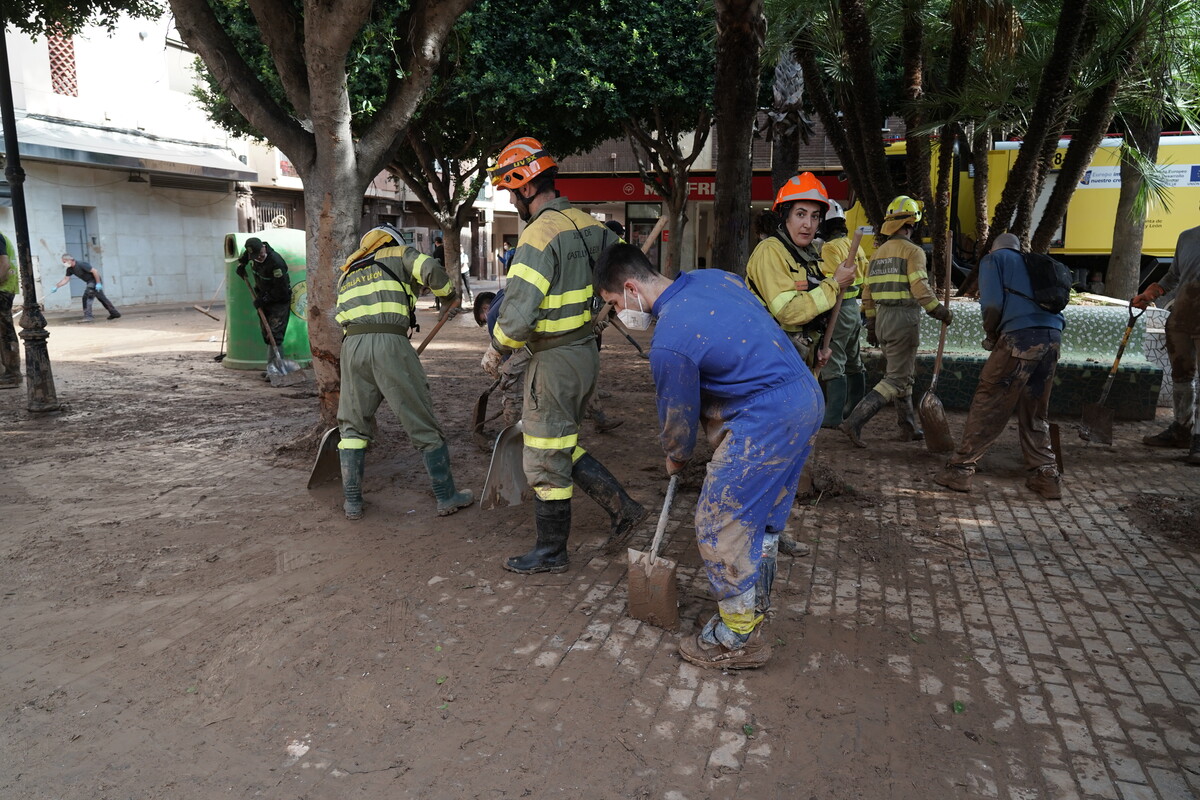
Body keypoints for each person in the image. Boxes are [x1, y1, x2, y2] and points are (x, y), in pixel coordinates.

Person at [595, 243, 822, 670]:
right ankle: (754, 606)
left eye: (613, 304)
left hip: (767, 418)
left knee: (719, 521)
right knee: (765, 514)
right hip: (805, 397)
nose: (618, 314)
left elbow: (677, 416)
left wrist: (676, 458)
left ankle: (737, 637)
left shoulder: (670, 342)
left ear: (629, 289)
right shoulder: (715, 277)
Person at [480, 137, 646, 573]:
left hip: (552, 362)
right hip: (585, 354)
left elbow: (516, 314)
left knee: (543, 455)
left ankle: (552, 552)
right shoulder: (592, 225)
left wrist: (497, 349)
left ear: (527, 188)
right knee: (561, 443)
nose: (512, 200)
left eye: (512, 192)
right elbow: (622, 273)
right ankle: (623, 507)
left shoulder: (537, 235)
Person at [335, 225, 473, 520]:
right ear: (391, 241)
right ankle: (446, 496)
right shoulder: (399, 253)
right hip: (390, 344)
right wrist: (447, 294)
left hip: (351, 347)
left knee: (353, 426)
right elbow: (430, 268)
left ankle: (352, 502)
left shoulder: (348, 271)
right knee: (420, 418)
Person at [933, 234, 1066, 498]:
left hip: (1019, 339)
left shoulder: (994, 260)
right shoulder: (1032, 263)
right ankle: (1047, 476)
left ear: (995, 248)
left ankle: (960, 470)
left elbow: (992, 304)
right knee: (1035, 409)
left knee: (989, 401)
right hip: (1052, 339)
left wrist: (992, 333)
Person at [840, 196, 953, 447]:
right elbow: (921, 289)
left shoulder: (878, 254)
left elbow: (866, 294)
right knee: (896, 379)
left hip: (882, 320)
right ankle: (854, 421)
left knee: (904, 376)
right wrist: (941, 312)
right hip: (903, 320)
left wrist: (871, 325)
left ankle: (908, 427)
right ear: (910, 225)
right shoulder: (913, 252)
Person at [745, 173, 856, 370]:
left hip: (795, 362)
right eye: (800, 214)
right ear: (785, 215)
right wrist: (835, 284)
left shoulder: (807, 255)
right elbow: (789, 312)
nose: (808, 224)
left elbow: (810, 312)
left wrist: (818, 351)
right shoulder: (771, 251)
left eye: (815, 216)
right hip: (769, 366)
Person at [1133, 223, 1200, 464]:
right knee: (1181, 376)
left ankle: (1198, 440)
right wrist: (1150, 293)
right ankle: (1181, 430)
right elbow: (1174, 275)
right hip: (1182, 317)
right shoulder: (1187, 237)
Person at [816, 202, 870, 427]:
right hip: (854, 311)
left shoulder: (829, 248)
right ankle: (854, 407)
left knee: (834, 360)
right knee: (853, 359)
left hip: (838, 308)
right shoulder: (854, 245)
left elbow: (831, 282)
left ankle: (833, 416)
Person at [235, 237, 290, 347]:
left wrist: (264, 299)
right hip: (263, 295)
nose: (258, 257)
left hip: (279, 300)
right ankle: (272, 361)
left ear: (263, 247)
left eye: (259, 254)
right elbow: (245, 257)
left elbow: (281, 289)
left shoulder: (276, 262)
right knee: (266, 334)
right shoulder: (252, 252)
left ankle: (276, 363)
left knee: (275, 334)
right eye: (254, 256)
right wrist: (242, 265)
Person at [53, 254, 121, 322]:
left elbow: (95, 271)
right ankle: (114, 313)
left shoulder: (81, 264)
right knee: (102, 298)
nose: (64, 264)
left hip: (94, 280)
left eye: (64, 262)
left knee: (87, 297)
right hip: (89, 282)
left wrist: (98, 283)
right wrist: (56, 286)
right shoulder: (70, 269)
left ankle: (88, 317)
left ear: (70, 260)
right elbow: (66, 279)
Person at [0, 231, 19, 387]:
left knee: (5, 332)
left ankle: (12, 374)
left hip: (2, 290)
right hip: (6, 289)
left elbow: (4, 265)